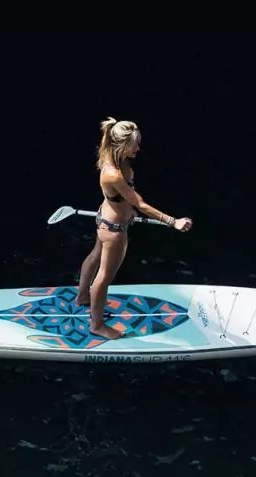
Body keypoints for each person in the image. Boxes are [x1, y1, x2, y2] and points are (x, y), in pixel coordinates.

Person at [74, 117, 192, 340]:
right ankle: (96, 325)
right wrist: (172, 221)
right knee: (104, 277)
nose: (138, 148)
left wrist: (126, 207)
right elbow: (141, 203)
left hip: (105, 218)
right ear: (122, 145)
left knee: (94, 257)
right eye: (134, 144)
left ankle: (82, 298)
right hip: (114, 229)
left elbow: (126, 200)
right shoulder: (114, 173)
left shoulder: (113, 154)